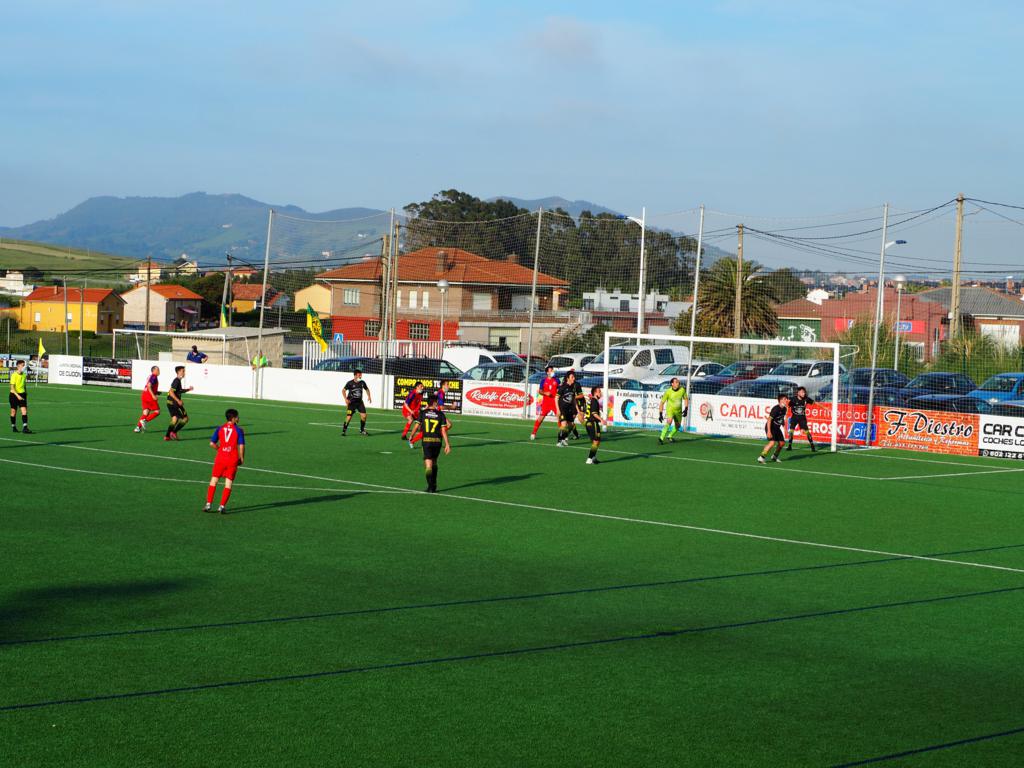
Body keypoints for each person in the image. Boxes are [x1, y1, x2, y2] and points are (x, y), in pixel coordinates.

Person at [204, 408, 245, 514]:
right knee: (228, 482)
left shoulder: (220, 428)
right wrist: (241, 457)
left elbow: (212, 443)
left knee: (214, 480)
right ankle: (221, 506)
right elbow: (241, 445)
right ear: (234, 418)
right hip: (232, 459)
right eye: (237, 416)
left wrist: (220, 449)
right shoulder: (239, 430)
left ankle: (208, 504)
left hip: (220, 458)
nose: (238, 418)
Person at [418, 393, 451, 493]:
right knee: (435, 462)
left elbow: (418, 427)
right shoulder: (440, 414)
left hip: (426, 441)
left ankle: (430, 486)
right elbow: (448, 426)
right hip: (437, 441)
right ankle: (434, 484)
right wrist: (447, 444)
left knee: (428, 464)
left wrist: (412, 436)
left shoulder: (423, 413)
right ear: (435, 402)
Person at [758, 394, 790, 464]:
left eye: (786, 399)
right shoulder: (776, 409)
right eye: (785, 399)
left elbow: (781, 419)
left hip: (777, 428)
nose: (786, 400)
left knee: (782, 443)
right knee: (772, 443)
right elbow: (769, 420)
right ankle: (761, 457)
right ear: (780, 400)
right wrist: (769, 431)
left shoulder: (785, 409)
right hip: (771, 427)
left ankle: (774, 456)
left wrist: (785, 429)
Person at [164, 365, 193, 441]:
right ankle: (174, 432)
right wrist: (178, 400)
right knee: (185, 419)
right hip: (174, 404)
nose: (184, 373)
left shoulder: (178, 380)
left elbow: (178, 390)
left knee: (174, 419)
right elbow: (171, 392)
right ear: (178, 372)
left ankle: (167, 436)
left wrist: (188, 389)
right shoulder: (176, 381)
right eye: (183, 371)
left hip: (169, 403)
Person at [530, 366, 559, 440]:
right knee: (541, 418)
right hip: (546, 403)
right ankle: (533, 433)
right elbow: (540, 391)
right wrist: (545, 393)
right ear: (547, 372)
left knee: (559, 418)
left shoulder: (557, 380)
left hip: (555, 402)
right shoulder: (543, 381)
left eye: (553, 370)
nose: (552, 371)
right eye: (551, 370)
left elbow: (560, 389)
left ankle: (563, 435)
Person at [555, 371, 583, 447]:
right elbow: (556, 398)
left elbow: (574, 400)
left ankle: (563, 439)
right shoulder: (563, 387)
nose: (574, 378)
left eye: (574, 377)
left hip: (570, 409)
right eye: (572, 377)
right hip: (562, 409)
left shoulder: (573, 387)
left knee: (570, 425)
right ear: (568, 378)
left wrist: (578, 410)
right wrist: (558, 409)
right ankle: (559, 441)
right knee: (564, 425)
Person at [658, 377, 688, 445]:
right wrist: (660, 414)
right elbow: (662, 403)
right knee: (669, 421)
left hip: (678, 411)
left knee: (678, 426)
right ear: (672, 384)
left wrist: (686, 409)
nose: (678, 383)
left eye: (678, 382)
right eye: (676, 382)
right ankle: (661, 438)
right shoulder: (668, 392)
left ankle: (670, 436)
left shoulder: (682, 390)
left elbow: (686, 399)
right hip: (670, 410)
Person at [342, 369, 371, 436]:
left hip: (360, 402)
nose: (360, 376)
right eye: (359, 375)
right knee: (349, 417)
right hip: (351, 403)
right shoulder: (350, 383)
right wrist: (345, 399)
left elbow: (367, 389)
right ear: (355, 375)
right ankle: (344, 431)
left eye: (361, 375)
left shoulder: (362, 383)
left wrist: (369, 396)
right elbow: (343, 390)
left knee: (364, 416)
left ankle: (362, 430)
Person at [787, 386, 816, 452]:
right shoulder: (793, 399)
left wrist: (816, 403)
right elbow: (788, 406)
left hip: (802, 417)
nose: (804, 393)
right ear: (798, 393)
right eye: (802, 392)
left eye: (804, 392)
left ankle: (812, 446)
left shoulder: (806, 399)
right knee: (791, 431)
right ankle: (789, 445)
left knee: (807, 431)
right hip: (794, 417)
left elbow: (813, 402)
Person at [134, 366, 161, 432]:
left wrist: (156, 392)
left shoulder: (150, 376)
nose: (159, 371)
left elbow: (149, 386)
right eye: (157, 370)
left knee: (145, 413)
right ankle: (145, 421)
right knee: (157, 412)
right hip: (149, 396)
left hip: (144, 395)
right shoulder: (154, 376)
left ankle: (137, 428)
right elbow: (149, 386)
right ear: (153, 371)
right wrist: (153, 395)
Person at [9, 359, 31, 434]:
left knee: (24, 411)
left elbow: (24, 384)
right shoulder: (14, 375)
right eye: (22, 365)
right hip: (14, 395)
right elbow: (12, 388)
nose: (24, 366)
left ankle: (25, 427)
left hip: (22, 394)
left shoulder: (24, 375)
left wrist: (25, 392)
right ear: (18, 366)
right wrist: (17, 396)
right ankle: (13, 426)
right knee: (13, 411)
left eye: (24, 365)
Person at [583, 386, 603, 465]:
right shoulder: (594, 401)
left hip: (589, 423)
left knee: (596, 441)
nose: (600, 393)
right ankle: (589, 458)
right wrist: (602, 420)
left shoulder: (592, 400)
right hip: (593, 423)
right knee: (596, 441)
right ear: (595, 393)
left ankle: (593, 457)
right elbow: (594, 413)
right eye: (599, 391)